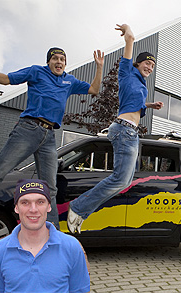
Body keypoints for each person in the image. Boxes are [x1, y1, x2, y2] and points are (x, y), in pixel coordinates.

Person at [0, 48, 104, 229]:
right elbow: (5, 79)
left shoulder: (69, 81)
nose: (59, 62)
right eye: (55, 58)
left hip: (49, 136)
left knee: (50, 189)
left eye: (62, 59)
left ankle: (52, 236)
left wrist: (99, 67)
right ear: (49, 62)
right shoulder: (36, 71)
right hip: (28, 130)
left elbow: (94, 89)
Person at [67, 24, 164, 233]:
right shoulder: (127, 72)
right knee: (119, 179)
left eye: (152, 65)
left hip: (129, 131)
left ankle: (81, 210)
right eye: (147, 63)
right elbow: (129, 41)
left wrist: (149, 105)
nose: (150, 67)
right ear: (137, 64)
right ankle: (78, 208)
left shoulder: (140, 84)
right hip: (124, 130)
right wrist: (128, 33)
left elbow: (129, 102)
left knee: (125, 181)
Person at [0, 179, 90, 293]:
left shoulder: (71, 247)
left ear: (49, 206)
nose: (33, 209)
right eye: (25, 202)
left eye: (40, 202)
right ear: (16, 208)